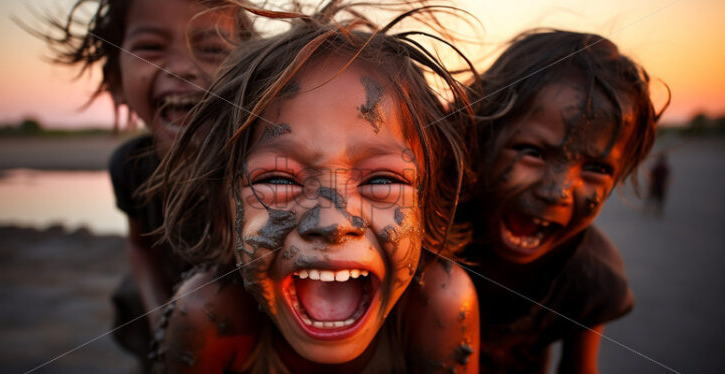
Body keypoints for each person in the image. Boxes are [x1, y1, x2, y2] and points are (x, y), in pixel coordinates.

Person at [148, 2, 481, 372]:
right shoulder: (208, 315)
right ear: (223, 210)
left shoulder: (437, 305)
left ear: (427, 208)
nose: (332, 222)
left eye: (382, 180)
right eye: (277, 179)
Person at [37, 0, 252, 370]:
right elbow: (140, 246)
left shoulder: (262, 164)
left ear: (254, 72)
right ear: (116, 83)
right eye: (150, 47)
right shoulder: (131, 167)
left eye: (213, 48)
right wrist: (159, 320)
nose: (183, 68)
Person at [458, 29, 668, 374]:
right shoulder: (430, 237)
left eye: (596, 168)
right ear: (477, 136)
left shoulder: (591, 279)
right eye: (533, 152)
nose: (557, 192)